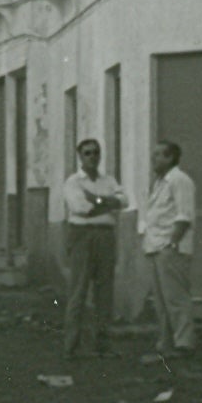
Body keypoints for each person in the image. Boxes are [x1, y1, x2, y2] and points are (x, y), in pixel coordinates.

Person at [60, 138, 126, 359]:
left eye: (96, 152)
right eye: (87, 153)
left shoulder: (108, 180)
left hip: (106, 236)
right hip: (82, 236)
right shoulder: (73, 182)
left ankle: (102, 344)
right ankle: (72, 346)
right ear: (80, 157)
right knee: (78, 291)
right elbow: (81, 208)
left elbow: (124, 200)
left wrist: (96, 199)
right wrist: (108, 204)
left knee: (104, 292)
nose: (92, 157)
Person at [139, 140, 196, 357]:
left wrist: (172, 243)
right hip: (155, 245)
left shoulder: (179, 181)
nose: (154, 160)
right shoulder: (159, 183)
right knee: (161, 300)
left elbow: (184, 216)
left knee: (175, 297)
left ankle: (184, 342)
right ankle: (167, 342)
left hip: (170, 247)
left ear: (170, 157)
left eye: (159, 155)